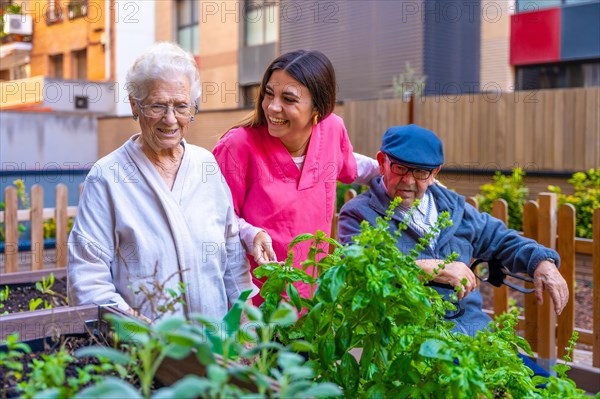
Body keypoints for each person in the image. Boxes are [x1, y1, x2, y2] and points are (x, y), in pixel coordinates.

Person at [68, 42, 257, 321]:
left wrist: (247, 328)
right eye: (157, 105)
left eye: (181, 106)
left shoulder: (206, 166)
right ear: (135, 105)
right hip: (144, 354)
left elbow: (231, 255)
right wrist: (135, 330)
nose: (170, 119)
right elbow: (88, 277)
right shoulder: (107, 177)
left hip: (214, 353)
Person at [338, 124, 569, 337]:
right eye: (400, 168)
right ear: (382, 162)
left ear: (435, 173)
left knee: (543, 382)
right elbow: (359, 273)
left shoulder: (453, 207)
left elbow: (500, 238)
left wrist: (541, 262)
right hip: (409, 342)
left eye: (420, 172)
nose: (408, 180)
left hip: (474, 333)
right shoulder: (359, 214)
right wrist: (429, 269)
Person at [213, 50, 379, 302]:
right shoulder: (237, 147)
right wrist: (251, 233)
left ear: (318, 109)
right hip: (253, 301)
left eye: (288, 99)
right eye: (269, 93)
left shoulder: (332, 128)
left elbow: (350, 164)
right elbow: (215, 218)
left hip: (312, 298)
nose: (272, 107)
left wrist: (393, 171)